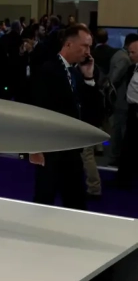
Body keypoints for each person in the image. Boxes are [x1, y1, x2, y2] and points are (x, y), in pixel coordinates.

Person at [29, 24, 104, 210]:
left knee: (76, 203)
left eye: (90, 47)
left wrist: (89, 78)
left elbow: (92, 112)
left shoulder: (77, 74)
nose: (88, 52)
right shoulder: (47, 70)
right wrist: (34, 147)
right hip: (50, 150)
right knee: (44, 202)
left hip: (72, 150)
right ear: (69, 44)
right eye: (85, 46)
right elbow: (37, 110)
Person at [108, 33, 138, 166]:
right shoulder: (129, 64)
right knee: (122, 134)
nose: (130, 55)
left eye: (133, 52)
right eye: (130, 52)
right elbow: (115, 79)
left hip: (130, 107)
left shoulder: (120, 56)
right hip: (126, 105)